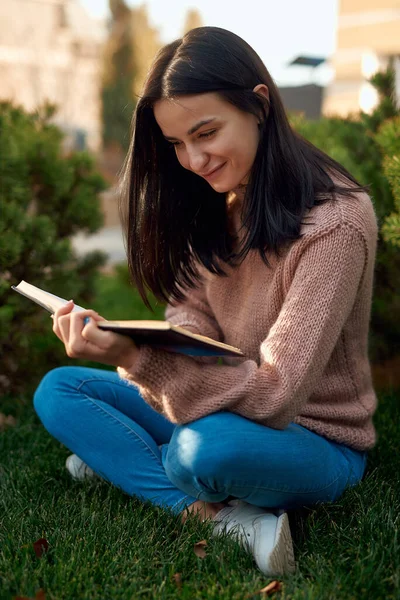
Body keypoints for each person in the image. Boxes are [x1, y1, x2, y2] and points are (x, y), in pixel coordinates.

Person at [33, 26, 378, 577]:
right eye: (175, 145)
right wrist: (152, 339)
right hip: (218, 403)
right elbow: (188, 309)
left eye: (206, 133)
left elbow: (278, 396)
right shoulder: (217, 197)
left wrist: (137, 359)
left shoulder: (335, 223)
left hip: (311, 436)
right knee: (60, 390)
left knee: (201, 452)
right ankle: (214, 517)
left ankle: (134, 461)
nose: (192, 160)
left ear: (258, 105)